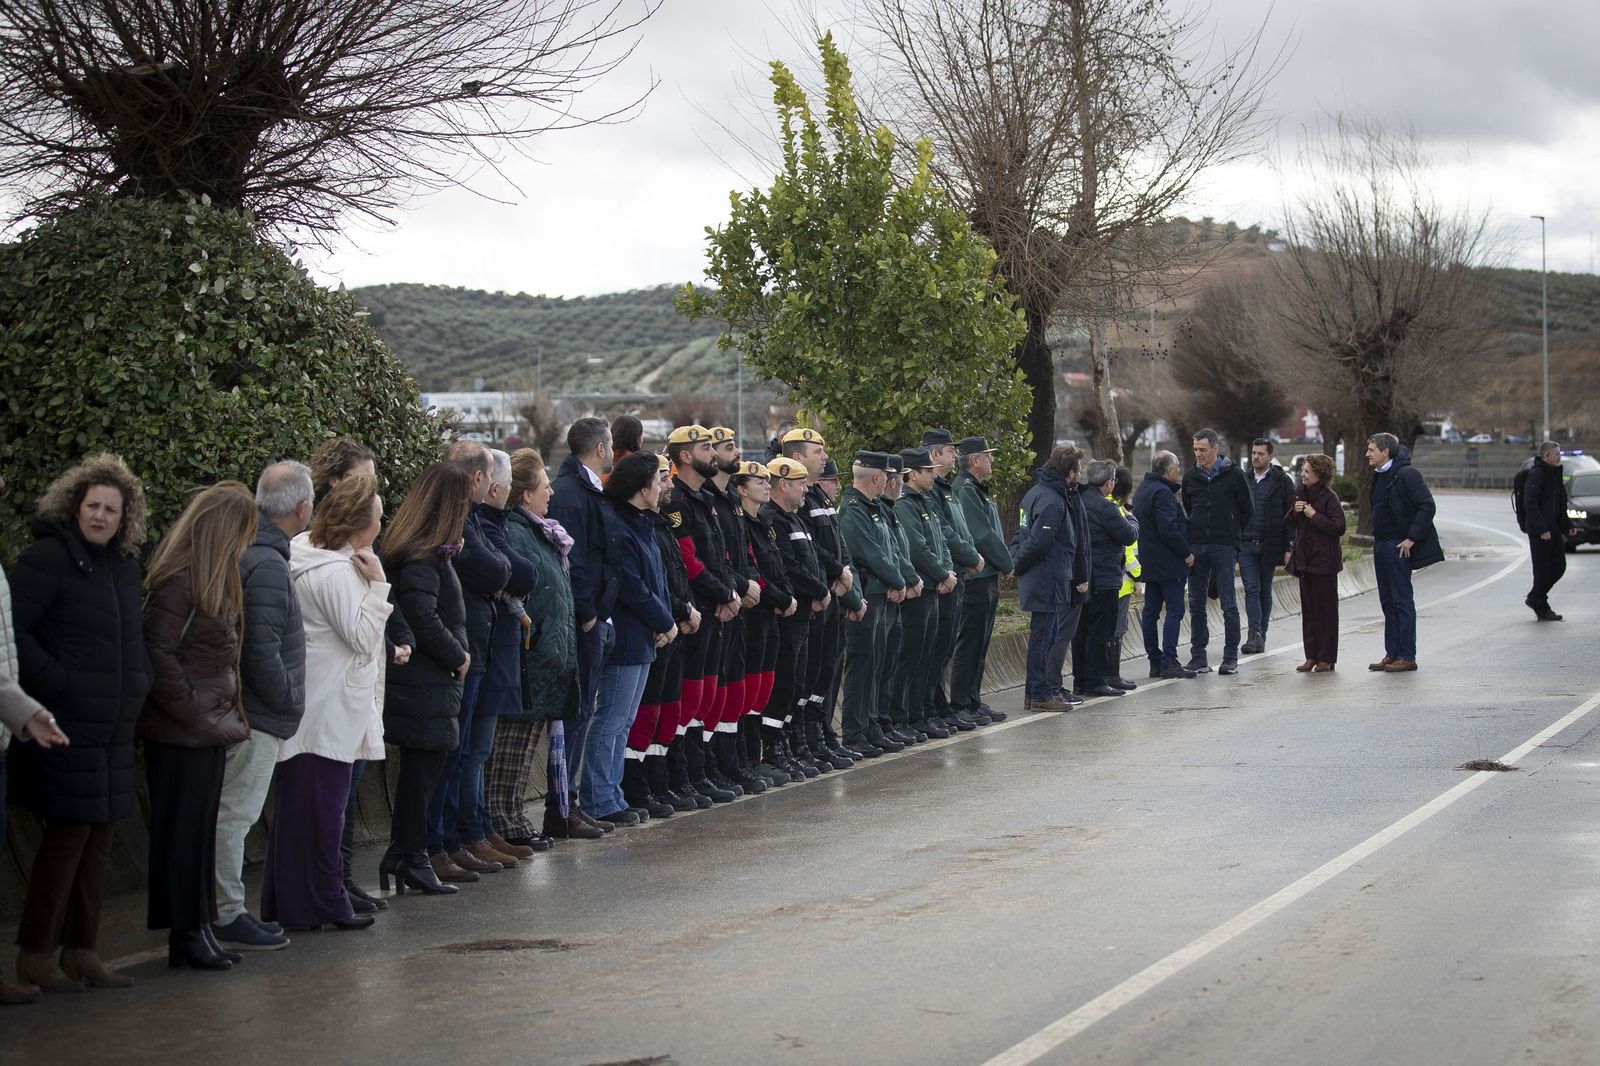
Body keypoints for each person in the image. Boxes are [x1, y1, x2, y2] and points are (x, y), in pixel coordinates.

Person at [7, 456, 142, 995]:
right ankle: (36, 954)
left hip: (112, 728)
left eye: (111, 509)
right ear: (74, 506)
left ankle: (82, 951)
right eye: (93, 506)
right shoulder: (47, 558)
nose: (100, 516)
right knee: (67, 837)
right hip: (64, 722)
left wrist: (140, 682)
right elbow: (14, 633)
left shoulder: (123, 565)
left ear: (124, 517)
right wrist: (58, 681)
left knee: (100, 836)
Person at [258, 475, 391, 932]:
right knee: (322, 814)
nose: (381, 524)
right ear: (360, 525)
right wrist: (378, 586)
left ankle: (294, 904)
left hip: (319, 701)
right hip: (329, 706)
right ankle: (325, 903)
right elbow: (361, 636)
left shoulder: (313, 559)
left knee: (302, 813)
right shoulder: (334, 571)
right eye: (377, 517)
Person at [140, 481, 257, 971]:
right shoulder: (182, 579)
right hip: (183, 729)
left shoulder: (211, 575)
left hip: (205, 725)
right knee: (184, 835)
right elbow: (158, 651)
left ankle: (198, 926)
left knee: (199, 832)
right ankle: (186, 932)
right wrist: (191, 708)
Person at [212, 461, 311, 954]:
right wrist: (290, 698)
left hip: (246, 709)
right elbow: (261, 650)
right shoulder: (269, 564)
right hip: (258, 715)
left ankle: (222, 909)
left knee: (230, 813)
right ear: (302, 508)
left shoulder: (250, 552)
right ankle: (226, 911)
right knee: (235, 815)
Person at [377, 463, 473, 896]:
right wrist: (457, 654)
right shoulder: (423, 554)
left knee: (422, 774)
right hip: (426, 681)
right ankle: (411, 857)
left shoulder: (423, 551)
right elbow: (422, 616)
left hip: (427, 682)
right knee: (420, 776)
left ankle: (404, 853)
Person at [426, 441, 513, 878]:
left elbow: (504, 568)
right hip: (462, 649)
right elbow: (496, 569)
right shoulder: (455, 518)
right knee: (454, 755)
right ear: (478, 477)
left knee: (465, 753)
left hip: (475, 642)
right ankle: (442, 843)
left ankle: (461, 838)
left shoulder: (472, 517)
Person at [306, 438, 382, 914]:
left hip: (355, 692)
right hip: (333, 695)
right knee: (334, 797)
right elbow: (357, 631)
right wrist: (379, 588)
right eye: (361, 480)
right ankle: (331, 884)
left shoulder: (353, 547)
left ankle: (342, 877)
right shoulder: (326, 557)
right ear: (334, 483)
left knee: (347, 793)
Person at [454, 449, 536, 867]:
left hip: (490, 647)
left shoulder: (485, 522)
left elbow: (520, 573)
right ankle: (467, 833)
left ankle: (478, 829)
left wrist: (505, 573)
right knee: (470, 751)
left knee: (477, 749)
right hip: (479, 647)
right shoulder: (476, 521)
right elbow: (507, 571)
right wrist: (505, 573)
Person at [487, 448, 573, 850]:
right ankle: (504, 819)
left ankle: (512, 817)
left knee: (523, 745)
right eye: (544, 486)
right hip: (530, 652)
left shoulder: (538, 530)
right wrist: (537, 637)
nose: (550, 492)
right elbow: (523, 589)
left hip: (543, 654)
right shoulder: (518, 532)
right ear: (525, 494)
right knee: (511, 745)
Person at [588, 453, 676, 824]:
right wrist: (664, 620)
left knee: (623, 721)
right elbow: (632, 586)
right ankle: (599, 799)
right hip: (625, 635)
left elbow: (658, 579)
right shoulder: (621, 526)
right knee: (611, 718)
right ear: (641, 488)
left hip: (644, 634)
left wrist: (665, 620)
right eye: (658, 480)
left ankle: (613, 794)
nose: (663, 487)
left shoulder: (643, 523)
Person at [546, 417, 620, 838]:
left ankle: (569, 803)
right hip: (585, 621)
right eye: (609, 444)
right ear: (600, 448)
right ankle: (561, 807)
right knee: (574, 717)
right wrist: (589, 611)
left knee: (584, 713)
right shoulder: (572, 494)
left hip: (599, 618)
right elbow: (572, 558)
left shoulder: (590, 489)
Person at [662, 425, 740, 801]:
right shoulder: (677, 502)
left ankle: (699, 769)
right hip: (696, 610)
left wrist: (729, 593)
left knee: (706, 696)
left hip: (716, 608)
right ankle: (680, 775)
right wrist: (724, 593)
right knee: (689, 697)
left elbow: (720, 556)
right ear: (686, 456)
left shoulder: (704, 497)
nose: (713, 453)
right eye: (706, 447)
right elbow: (689, 562)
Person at [626, 453, 704, 814]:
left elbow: (676, 576)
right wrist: (679, 613)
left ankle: (661, 783)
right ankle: (638, 789)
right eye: (662, 478)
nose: (669, 485)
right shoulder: (640, 527)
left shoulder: (660, 525)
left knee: (668, 711)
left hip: (674, 628)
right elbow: (648, 586)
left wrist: (687, 610)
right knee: (647, 713)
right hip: (658, 630)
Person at [705, 427, 770, 792]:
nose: (737, 451)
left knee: (733, 691)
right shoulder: (705, 501)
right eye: (728, 447)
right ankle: (710, 766)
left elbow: (744, 552)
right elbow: (709, 559)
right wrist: (738, 588)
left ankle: (734, 761)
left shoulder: (729, 500)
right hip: (718, 605)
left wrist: (751, 584)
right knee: (711, 694)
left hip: (739, 604)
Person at [759, 456, 831, 778]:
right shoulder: (772, 519)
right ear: (784, 484)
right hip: (789, 615)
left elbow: (812, 559)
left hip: (803, 614)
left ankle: (792, 742)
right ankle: (774, 748)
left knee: (798, 684)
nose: (805, 489)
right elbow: (789, 567)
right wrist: (819, 590)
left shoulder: (794, 519)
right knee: (785, 685)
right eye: (800, 484)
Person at [838, 452, 905, 756]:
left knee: (877, 664)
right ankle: (855, 732)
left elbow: (891, 551)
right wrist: (900, 581)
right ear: (877, 477)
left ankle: (871, 725)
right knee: (862, 665)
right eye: (887, 476)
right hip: (868, 596)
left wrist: (900, 580)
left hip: (881, 595)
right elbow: (870, 554)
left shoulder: (874, 507)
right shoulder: (854, 510)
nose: (889, 481)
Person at [731, 460, 794, 781]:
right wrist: (782, 599)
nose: (767, 486)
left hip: (771, 616)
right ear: (741, 489)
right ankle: (744, 758)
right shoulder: (741, 525)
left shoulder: (763, 523)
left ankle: (755, 758)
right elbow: (754, 574)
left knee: (762, 690)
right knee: (747, 691)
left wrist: (787, 596)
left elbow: (778, 568)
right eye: (760, 482)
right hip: (754, 616)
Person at [922, 429, 985, 733]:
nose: (955, 456)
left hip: (955, 573)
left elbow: (957, 531)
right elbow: (943, 534)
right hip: (943, 577)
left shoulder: (944, 487)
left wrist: (969, 555)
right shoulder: (931, 491)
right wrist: (969, 556)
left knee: (945, 647)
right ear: (934, 455)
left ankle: (942, 706)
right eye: (950, 451)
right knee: (935, 650)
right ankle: (933, 708)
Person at [1366, 433, 1442, 671]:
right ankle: (1392, 653)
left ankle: (1407, 656)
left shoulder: (1407, 474)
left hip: (1398, 546)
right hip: (1381, 543)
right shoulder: (1379, 475)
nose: (1367, 454)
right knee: (1388, 602)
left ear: (1385, 452)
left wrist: (1411, 538)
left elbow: (1427, 505)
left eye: (1371, 450)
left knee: (1401, 601)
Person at [1012, 447, 1080, 712]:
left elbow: (1020, 533)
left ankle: (1034, 693)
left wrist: (1014, 560)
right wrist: (1016, 565)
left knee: (1042, 636)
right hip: (1046, 577)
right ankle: (1040, 694)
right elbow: (1038, 541)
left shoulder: (1034, 493)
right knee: (1043, 638)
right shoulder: (1053, 500)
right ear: (1070, 473)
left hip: (1041, 576)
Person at [950, 437, 1013, 723]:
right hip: (976, 577)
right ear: (975, 460)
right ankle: (962, 702)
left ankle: (973, 700)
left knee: (981, 642)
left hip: (986, 575)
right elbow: (981, 534)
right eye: (988, 456)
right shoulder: (965, 490)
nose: (992, 461)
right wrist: (1006, 563)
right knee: (970, 642)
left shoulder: (975, 489)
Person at [892, 448, 952, 741]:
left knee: (927, 655)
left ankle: (921, 712)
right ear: (912, 474)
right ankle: (904, 716)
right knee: (911, 657)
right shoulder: (906, 504)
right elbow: (917, 548)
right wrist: (941, 574)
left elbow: (941, 541)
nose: (932, 475)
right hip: (920, 589)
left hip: (933, 587)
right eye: (927, 471)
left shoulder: (926, 500)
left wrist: (947, 571)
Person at [1182, 429, 1253, 675]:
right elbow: (1189, 507)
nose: (1198, 454)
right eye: (1195, 449)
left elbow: (1247, 510)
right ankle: (1198, 656)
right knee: (1196, 603)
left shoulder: (1234, 475)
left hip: (1224, 546)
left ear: (1215, 448)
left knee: (1228, 603)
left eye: (1202, 449)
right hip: (1197, 546)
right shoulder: (1190, 477)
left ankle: (1230, 657)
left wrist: (1232, 535)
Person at [1075, 460, 1139, 698]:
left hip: (1084, 575)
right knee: (1100, 631)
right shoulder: (1107, 507)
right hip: (1104, 577)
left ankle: (1081, 680)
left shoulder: (1080, 500)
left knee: (1082, 631)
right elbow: (1129, 535)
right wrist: (1132, 519)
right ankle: (1096, 680)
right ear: (1109, 482)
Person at [1132, 451, 1195, 679]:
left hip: (1150, 561)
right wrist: (1186, 553)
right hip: (1170, 562)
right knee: (1175, 610)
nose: (1179, 470)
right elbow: (1169, 529)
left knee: (1151, 611)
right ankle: (1169, 660)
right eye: (1177, 466)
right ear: (1168, 470)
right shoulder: (1163, 493)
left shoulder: (1142, 490)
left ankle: (1154, 661)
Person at [1286, 453, 1347, 671]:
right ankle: (1311, 655)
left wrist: (1314, 516)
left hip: (1324, 564)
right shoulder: (1301, 492)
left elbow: (1339, 527)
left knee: (1326, 612)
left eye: (1307, 471)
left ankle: (1326, 658)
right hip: (1305, 562)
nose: (1303, 474)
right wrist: (1294, 512)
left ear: (1319, 475)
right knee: (1309, 611)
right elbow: (1289, 522)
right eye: (1303, 470)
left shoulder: (1330, 498)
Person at [1238, 439, 1295, 655]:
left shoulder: (1282, 481)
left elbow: (1291, 515)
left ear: (1271, 456)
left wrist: (1289, 546)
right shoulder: (1244, 479)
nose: (1256, 457)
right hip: (1246, 543)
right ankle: (1254, 634)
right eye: (1254, 453)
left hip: (1269, 543)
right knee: (1251, 589)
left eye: (1260, 454)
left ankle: (1261, 632)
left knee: (1264, 589)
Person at [1523, 440, 1577, 621]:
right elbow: (1530, 504)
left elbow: (1560, 505)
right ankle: (1540, 605)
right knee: (1542, 571)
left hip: (1553, 528)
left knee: (1559, 567)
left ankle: (1535, 597)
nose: (1559, 457)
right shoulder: (1537, 474)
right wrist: (1541, 529)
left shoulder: (1554, 474)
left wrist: (1568, 526)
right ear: (1546, 455)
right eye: (1557, 454)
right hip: (1540, 531)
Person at [1106, 465, 1141, 690]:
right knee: (1116, 630)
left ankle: (1108, 675)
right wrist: (1137, 576)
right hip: (1122, 582)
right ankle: (1113, 675)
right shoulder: (1118, 510)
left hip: (1112, 580)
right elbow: (1128, 549)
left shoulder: (1106, 504)